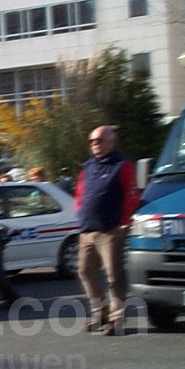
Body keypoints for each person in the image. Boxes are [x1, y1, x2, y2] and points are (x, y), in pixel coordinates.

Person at [75, 125, 139, 336]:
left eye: (99, 140)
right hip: (88, 230)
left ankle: (116, 319)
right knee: (85, 271)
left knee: (114, 276)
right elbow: (80, 193)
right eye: (92, 141)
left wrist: (123, 223)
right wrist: (81, 213)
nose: (95, 145)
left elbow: (131, 195)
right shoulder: (88, 167)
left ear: (111, 142)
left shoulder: (122, 165)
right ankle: (99, 313)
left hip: (110, 230)